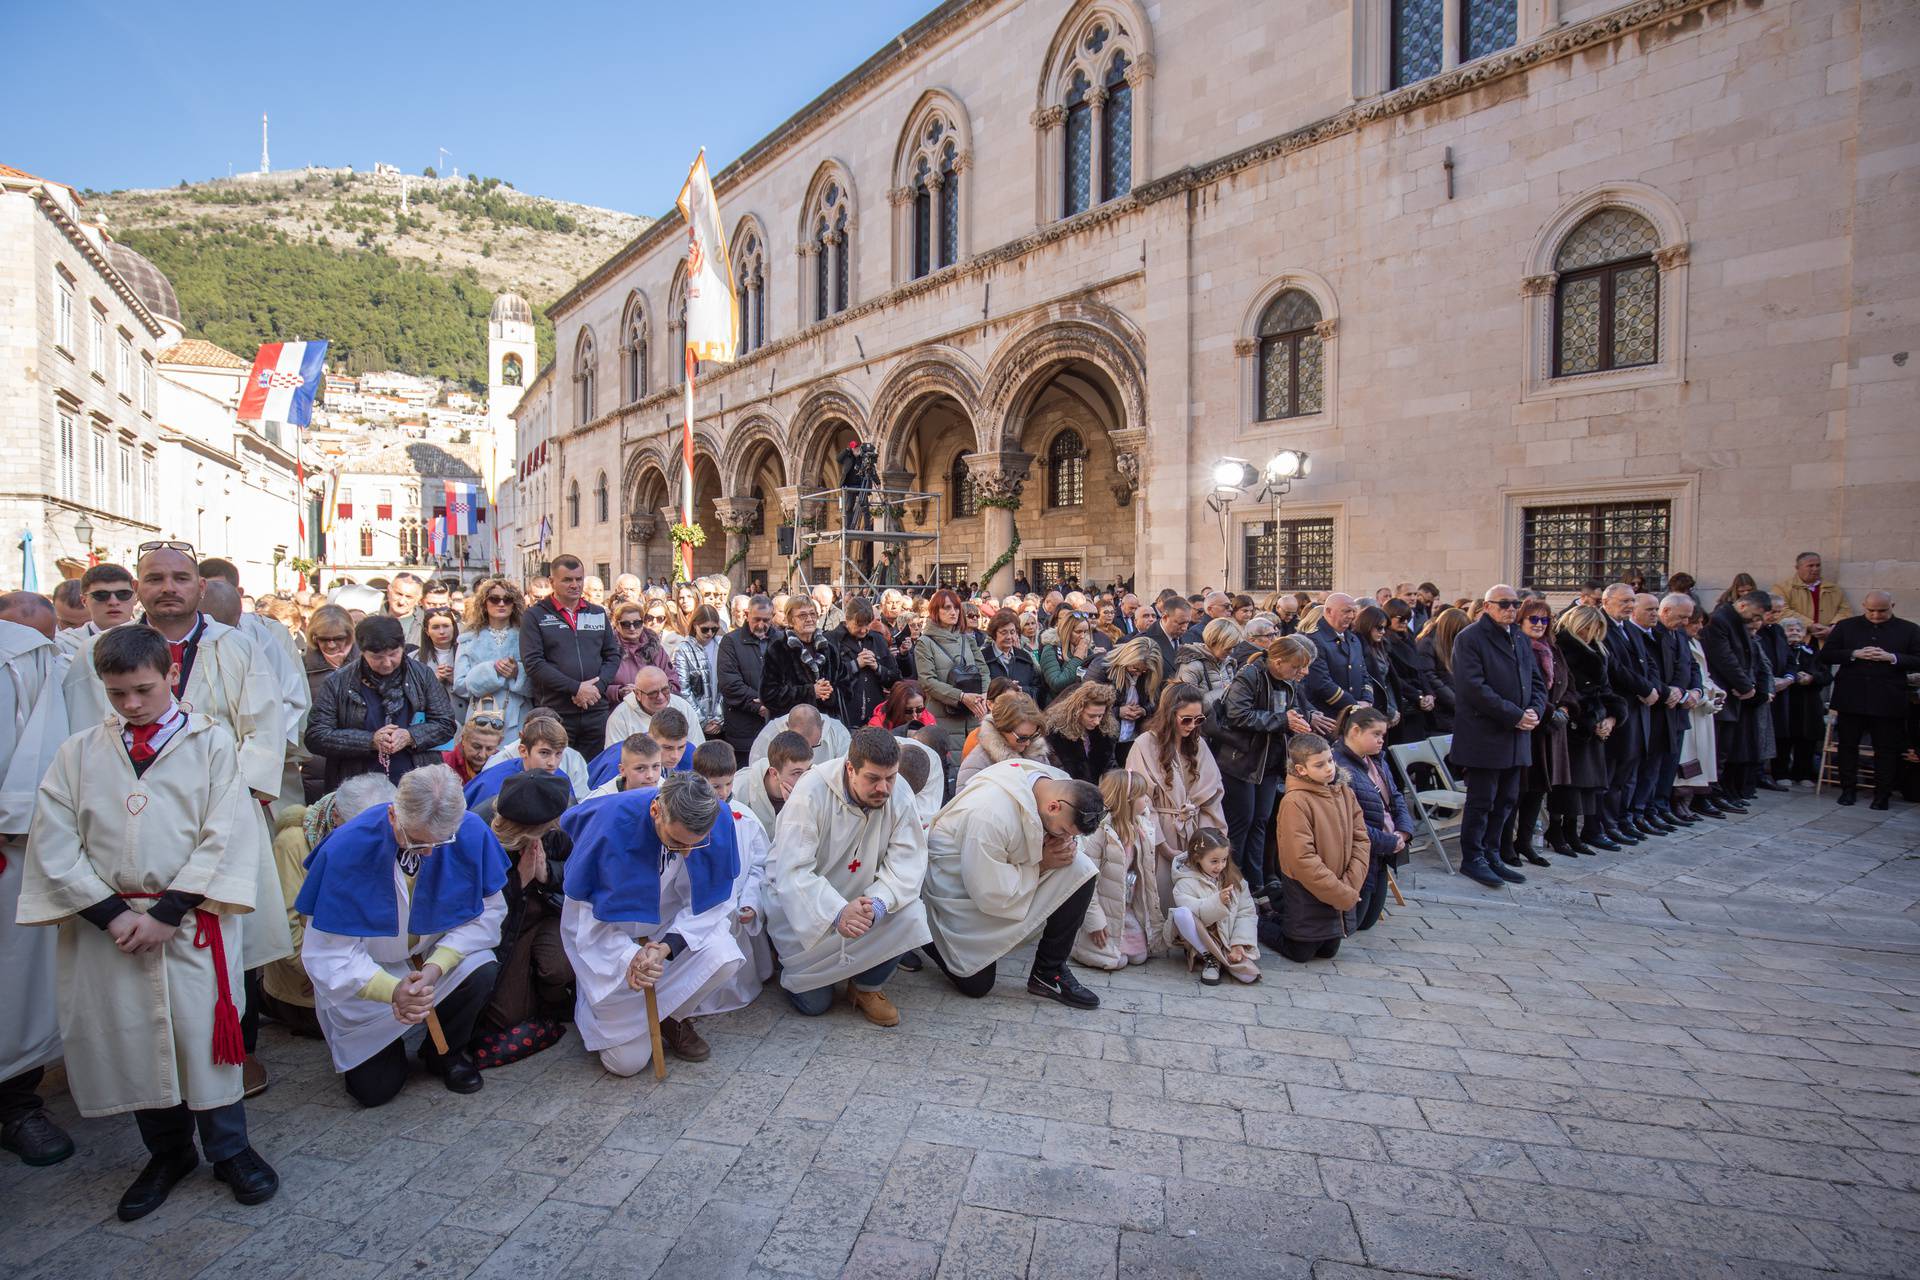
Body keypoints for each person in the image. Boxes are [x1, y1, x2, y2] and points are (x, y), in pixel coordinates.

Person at [23, 625, 278, 1216]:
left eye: (143, 689)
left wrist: (167, 912)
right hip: (111, 930)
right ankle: (167, 1153)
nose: (132, 705)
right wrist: (112, 914)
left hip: (188, 921)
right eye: (117, 695)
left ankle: (230, 1149)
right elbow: (55, 842)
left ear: (170, 675)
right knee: (135, 1038)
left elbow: (227, 832)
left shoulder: (213, 745)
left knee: (203, 1039)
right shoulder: (78, 752)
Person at [63, 545, 292, 1093]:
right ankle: (151, 1071)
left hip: (221, 815)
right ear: (136, 587)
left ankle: (233, 1053)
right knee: (139, 956)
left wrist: (226, 796)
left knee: (229, 946)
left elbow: (264, 727)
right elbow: (78, 734)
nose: (169, 587)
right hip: (128, 826)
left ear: (199, 586)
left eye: (180, 578)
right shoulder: (98, 652)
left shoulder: (236, 646)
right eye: (154, 578)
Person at [298, 766, 508, 1105]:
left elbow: (489, 913)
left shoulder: (468, 831)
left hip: (432, 959)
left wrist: (436, 967)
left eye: (440, 842)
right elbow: (328, 954)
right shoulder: (347, 847)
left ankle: (446, 1053)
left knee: (482, 966)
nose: (427, 853)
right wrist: (393, 990)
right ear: (394, 814)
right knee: (374, 1091)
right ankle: (384, 1045)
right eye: (417, 840)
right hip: (367, 972)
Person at [763, 728, 932, 1024]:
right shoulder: (810, 793)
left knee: (912, 913)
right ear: (850, 768)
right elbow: (792, 870)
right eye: (873, 779)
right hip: (810, 911)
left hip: (863, 903)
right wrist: (837, 911)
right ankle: (795, 967)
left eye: (890, 777)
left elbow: (908, 861)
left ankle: (866, 987)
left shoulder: (898, 791)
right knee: (815, 1004)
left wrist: (877, 904)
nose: (884, 789)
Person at [922, 758, 1104, 1006]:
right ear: (1053, 807)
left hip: (1010, 878)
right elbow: (989, 893)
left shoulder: (1054, 782)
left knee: (1080, 868)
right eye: (1063, 832)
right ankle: (925, 934)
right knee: (977, 985)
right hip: (960, 894)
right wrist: (1042, 864)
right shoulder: (990, 814)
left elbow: (1056, 839)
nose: (1063, 839)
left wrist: (1062, 849)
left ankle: (1049, 973)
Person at [0, 604, 71, 1167]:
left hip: (4, 847)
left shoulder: (22, 656)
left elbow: (40, 756)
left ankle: (15, 1103)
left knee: (13, 979)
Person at [469, 770, 575, 1069]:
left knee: (557, 968)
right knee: (507, 1016)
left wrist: (545, 874)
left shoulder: (560, 814)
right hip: (509, 927)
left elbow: (579, 870)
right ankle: (530, 989)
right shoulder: (482, 833)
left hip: (548, 913)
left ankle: (551, 995)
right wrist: (518, 883)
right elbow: (479, 910)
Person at [1450, 586, 1547, 890]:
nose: (1511, 609)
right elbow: (1473, 688)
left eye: (1515, 604)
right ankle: (1473, 858)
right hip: (1485, 734)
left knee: (1506, 800)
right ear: (1487, 606)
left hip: (1517, 735)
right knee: (1482, 801)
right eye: (1504, 604)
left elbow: (1535, 681)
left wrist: (1534, 710)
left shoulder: (1518, 636)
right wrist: (1514, 714)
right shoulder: (1470, 638)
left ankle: (1492, 853)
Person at [305, 615, 458, 793]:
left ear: (402, 647)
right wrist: (369, 741)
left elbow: (446, 723)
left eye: (393, 654)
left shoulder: (422, 675)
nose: (387, 663)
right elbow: (316, 736)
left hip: (417, 782)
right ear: (362, 652)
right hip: (357, 784)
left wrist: (410, 736)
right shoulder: (338, 682)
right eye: (377, 657)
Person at [1213, 634, 1315, 897]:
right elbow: (1238, 715)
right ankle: (1232, 879)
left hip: (1269, 763)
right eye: (1296, 667)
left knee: (1261, 821)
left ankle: (1255, 881)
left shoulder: (1287, 683)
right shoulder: (1250, 676)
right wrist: (1282, 721)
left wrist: (1296, 723)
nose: (1300, 673)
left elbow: (1286, 715)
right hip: (1242, 763)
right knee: (1241, 822)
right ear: (1278, 662)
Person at [684, 741, 773, 1017]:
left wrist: (750, 903)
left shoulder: (745, 819)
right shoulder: (685, 820)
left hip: (735, 909)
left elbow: (759, 867)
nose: (722, 793)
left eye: (727, 784)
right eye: (714, 786)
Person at [1128, 683, 1229, 914]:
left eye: (1199, 720)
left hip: (1195, 832)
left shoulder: (1199, 744)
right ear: (1169, 714)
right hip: (1158, 831)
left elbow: (1213, 794)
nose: (1193, 726)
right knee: (1159, 893)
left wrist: (1208, 841)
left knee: (1193, 896)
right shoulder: (1144, 744)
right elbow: (1138, 799)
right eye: (1186, 719)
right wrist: (1161, 844)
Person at [1271, 733, 1371, 963]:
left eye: (1330, 760)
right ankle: (1266, 917)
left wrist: (1349, 885)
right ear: (1301, 769)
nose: (1329, 768)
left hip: (1339, 883)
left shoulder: (1345, 792)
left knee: (1328, 951)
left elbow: (1361, 839)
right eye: (1319, 764)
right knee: (1301, 953)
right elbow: (1302, 858)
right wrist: (1342, 893)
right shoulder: (1295, 802)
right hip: (1307, 887)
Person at [1820, 591, 1920, 809]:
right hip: (1851, 696)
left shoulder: (1909, 629)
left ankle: (1882, 794)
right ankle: (1848, 790)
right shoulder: (1846, 626)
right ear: (1864, 605)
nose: (1875, 615)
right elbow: (1826, 655)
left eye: (1882, 610)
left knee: (1886, 749)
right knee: (1848, 745)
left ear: (1892, 605)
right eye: (1871, 610)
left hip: (1888, 699)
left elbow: (1918, 659)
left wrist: (1892, 658)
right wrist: (1855, 653)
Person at [521, 555, 620, 758]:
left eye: (579, 579)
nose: (575, 585)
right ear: (552, 582)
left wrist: (595, 690)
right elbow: (534, 663)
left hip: (595, 710)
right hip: (557, 711)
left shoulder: (597, 613)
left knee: (594, 774)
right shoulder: (535, 616)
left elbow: (612, 655)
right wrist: (575, 688)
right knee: (558, 771)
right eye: (567, 580)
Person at [1071, 770, 1165, 970]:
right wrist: (1095, 921)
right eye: (1142, 795)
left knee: (1139, 956)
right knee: (1116, 961)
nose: (1147, 800)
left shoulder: (1141, 827)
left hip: (1127, 903)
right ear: (1128, 799)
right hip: (1103, 906)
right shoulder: (1099, 832)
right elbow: (1085, 880)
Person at [1553, 605, 1626, 850]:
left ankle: (1575, 831)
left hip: (1594, 720)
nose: (1589, 634)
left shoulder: (1598, 650)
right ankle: (1560, 831)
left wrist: (1611, 717)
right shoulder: (1563, 648)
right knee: (1567, 784)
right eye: (1586, 628)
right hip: (1574, 725)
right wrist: (1591, 721)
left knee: (1586, 784)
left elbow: (1605, 690)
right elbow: (1568, 691)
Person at [1331, 705, 1411, 930]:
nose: (1381, 741)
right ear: (1355, 731)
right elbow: (1347, 823)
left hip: (1382, 851)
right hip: (1361, 853)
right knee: (1357, 924)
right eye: (1376, 735)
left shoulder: (1377, 760)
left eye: (1383, 735)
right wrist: (1389, 841)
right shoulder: (1337, 766)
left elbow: (1396, 797)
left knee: (1368, 922)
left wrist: (1403, 831)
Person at [1506, 598, 1571, 870]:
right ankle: (1506, 844)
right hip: (1528, 726)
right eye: (1533, 619)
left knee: (1538, 790)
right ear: (1520, 621)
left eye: (1544, 619)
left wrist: (1567, 708)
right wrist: (1543, 711)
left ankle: (1525, 841)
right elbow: (1524, 687)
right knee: (1518, 789)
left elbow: (1567, 684)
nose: (1539, 624)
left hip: (1550, 730)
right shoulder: (1517, 647)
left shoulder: (1552, 649)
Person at [1164, 828, 1259, 985]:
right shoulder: (1184, 883)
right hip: (1203, 936)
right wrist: (1218, 902)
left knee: (1249, 977)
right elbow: (1199, 914)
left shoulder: (1233, 877)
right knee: (1181, 913)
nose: (1220, 866)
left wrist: (1238, 943)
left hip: (1228, 937)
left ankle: (1226, 957)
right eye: (1214, 861)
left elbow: (1246, 912)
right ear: (1197, 858)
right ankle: (1210, 958)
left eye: (1224, 860)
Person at [1703, 591, 1769, 803]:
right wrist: (1745, 687)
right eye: (1755, 614)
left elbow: (1748, 657)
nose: (1756, 621)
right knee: (1718, 750)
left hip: (1736, 694)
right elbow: (1725, 658)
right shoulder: (1720, 621)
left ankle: (1720, 791)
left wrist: (1751, 686)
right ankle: (1710, 794)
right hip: (1725, 692)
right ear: (1742, 606)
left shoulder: (1736, 621)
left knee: (1726, 750)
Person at [453, 578, 532, 735]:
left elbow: (538, 683)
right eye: (495, 599)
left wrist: (518, 673)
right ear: (484, 603)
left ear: (514, 604)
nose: (501, 604)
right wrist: (491, 671)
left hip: (518, 716)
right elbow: (460, 685)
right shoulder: (468, 638)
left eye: (507, 599)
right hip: (480, 717)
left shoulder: (528, 637)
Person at [916, 588, 989, 752]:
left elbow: (983, 669)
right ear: (936, 611)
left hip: (973, 713)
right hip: (943, 716)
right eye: (947, 608)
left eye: (956, 608)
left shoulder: (967, 638)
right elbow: (927, 681)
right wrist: (961, 697)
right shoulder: (925, 643)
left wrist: (984, 694)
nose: (953, 612)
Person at [470, 709, 588, 804]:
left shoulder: (562, 779)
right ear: (523, 751)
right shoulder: (493, 784)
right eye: (544, 753)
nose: (552, 763)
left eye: (558, 753)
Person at [762, 595, 845, 722]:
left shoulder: (829, 649)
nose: (809, 619)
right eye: (802, 615)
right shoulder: (778, 650)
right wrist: (810, 692)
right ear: (790, 621)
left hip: (826, 723)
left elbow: (845, 684)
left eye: (812, 614)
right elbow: (768, 694)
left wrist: (829, 691)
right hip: (792, 725)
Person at [717, 594, 776, 759]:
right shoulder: (730, 641)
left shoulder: (781, 639)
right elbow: (729, 683)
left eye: (766, 620)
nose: (761, 625)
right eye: (756, 619)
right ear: (746, 614)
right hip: (743, 731)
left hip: (775, 728)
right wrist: (760, 704)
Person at [1087, 635, 1165, 758]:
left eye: (1144, 671)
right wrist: (1118, 711)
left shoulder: (1149, 674)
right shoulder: (1103, 667)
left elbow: (1156, 701)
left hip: (1133, 737)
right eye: (1135, 668)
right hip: (1103, 738)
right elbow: (1087, 704)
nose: (1138, 673)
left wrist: (1144, 710)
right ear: (1127, 658)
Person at [956, 692, 1053, 789]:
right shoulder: (976, 763)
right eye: (1022, 738)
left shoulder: (1037, 753)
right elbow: (966, 803)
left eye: (1033, 736)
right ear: (1001, 729)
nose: (1028, 743)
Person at [1776, 617, 1831, 784]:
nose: (1795, 632)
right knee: (1783, 739)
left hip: (1809, 702)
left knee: (1806, 740)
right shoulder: (1779, 651)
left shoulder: (1813, 652)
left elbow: (1827, 675)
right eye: (1790, 629)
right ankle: (1781, 774)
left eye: (1798, 630)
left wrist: (1812, 677)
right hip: (1785, 701)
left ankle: (1803, 774)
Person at [1301, 594, 1371, 724]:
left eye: (1353, 611)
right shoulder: (1314, 639)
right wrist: (1354, 704)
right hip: (1329, 717)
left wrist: (1367, 700)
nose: (1351, 616)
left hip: (1354, 714)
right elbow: (1321, 683)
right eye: (1346, 611)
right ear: (1328, 611)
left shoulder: (1353, 639)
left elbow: (1364, 674)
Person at [604, 663, 708, 751]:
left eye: (665, 690)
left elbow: (698, 749)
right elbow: (615, 760)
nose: (661, 697)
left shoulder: (682, 707)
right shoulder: (620, 718)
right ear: (637, 694)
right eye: (652, 693)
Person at [732, 730, 813, 834]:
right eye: (796, 773)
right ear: (774, 773)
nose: (805, 778)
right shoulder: (739, 789)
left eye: (809, 770)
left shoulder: (814, 786)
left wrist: (796, 809)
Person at [1044, 681, 1120, 785]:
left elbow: (1110, 766)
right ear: (1077, 712)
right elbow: (1057, 773)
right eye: (1091, 716)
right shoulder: (1055, 735)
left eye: (1100, 716)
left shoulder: (1105, 731)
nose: (1097, 722)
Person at [607, 600, 679, 706]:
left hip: (654, 713)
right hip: (620, 711)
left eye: (637, 623)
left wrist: (654, 692)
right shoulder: (608, 650)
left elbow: (674, 684)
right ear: (617, 625)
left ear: (642, 622)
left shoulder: (656, 650)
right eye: (626, 624)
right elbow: (597, 687)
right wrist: (618, 692)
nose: (632, 628)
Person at [56, 561, 138, 654]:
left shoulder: (154, 639)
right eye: (101, 595)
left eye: (123, 594)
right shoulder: (64, 645)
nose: (113, 602)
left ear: (135, 597)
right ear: (84, 600)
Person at [1775, 552, 1852, 642]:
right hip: (1797, 640)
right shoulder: (1782, 588)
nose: (1815, 569)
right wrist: (1809, 625)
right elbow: (1781, 611)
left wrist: (1833, 628)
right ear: (1797, 568)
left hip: (1827, 641)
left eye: (1818, 565)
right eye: (1810, 566)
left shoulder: (1834, 588)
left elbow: (1845, 611)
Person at [1415, 607, 1467, 734]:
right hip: (1441, 710)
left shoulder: (1449, 643)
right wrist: (1455, 701)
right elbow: (1430, 676)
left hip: (1454, 706)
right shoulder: (1428, 643)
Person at [1174, 618, 1242, 711]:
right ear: (1214, 641)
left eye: (1233, 647)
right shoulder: (1192, 665)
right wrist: (1224, 693)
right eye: (1228, 648)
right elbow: (1185, 704)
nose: (1231, 652)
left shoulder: (1228, 663)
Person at [750, 702, 851, 763]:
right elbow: (757, 770)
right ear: (787, 727)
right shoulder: (769, 735)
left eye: (814, 746)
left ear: (822, 725)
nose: (808, 754)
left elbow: (847, 768)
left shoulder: (838, 732)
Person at [982, 608, 1043, 705]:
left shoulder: (1024, 657)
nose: (1009, 637)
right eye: (1004, 632)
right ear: (994, 634)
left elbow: (1038, 689)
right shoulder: (983, 658)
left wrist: (1022, 690)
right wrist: (1004, 690)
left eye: (1012, 632)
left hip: (1021, 713)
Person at [585, 734, 665, 799]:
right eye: (640, 768)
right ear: (622, 770)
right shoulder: (600, 800)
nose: (650, 776)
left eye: (655, 766)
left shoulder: (666, 790)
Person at [417, 607, 464, 719]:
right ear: (427, 631)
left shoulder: (467, 653)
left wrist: (456, 681)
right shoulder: (414, 658)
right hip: (430, 720)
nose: (442, 632)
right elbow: (412, 696)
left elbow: (477, 690)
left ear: (454, 627)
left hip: (463, 718)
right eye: (435, 627)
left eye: (446, 626)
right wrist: (433, 680)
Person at [1038, 610, 1094, 701]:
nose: (1083, 636)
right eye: (1078, 632)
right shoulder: (1051, 649)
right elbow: (1056, 683)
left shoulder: (1088, 650)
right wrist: (1077, 658)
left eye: (1085, 632)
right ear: (1066, 631)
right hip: (1057, 706)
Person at [442, 712, 506, 785]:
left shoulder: (502, 765)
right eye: (476, 747)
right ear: (463, 739)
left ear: (499, 742)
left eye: (489, 749)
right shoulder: (444, 763)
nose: (482, 755)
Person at [1140, 597, 1191, 674]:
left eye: (1187, 622)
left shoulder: (1189, 637)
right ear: (1165, 617)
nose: (1184, 628)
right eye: (1180, 623)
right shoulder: (1146, 641)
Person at [870, 678, 936, 732]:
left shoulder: (928, 719)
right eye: (908, 711)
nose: (914, 716)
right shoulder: (877, 724)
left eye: (919, 709)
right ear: (896, 707)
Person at [382, 572, 426, 649]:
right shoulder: (369, 619)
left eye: (409, 597)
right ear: (389, 591)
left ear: (418, 599)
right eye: (398, 594)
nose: (401, 602)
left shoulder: (426, 624)